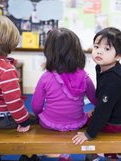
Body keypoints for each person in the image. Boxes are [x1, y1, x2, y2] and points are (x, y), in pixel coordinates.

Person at [31, 27, 97, 161]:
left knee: (31, 118)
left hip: (49, 123)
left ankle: (53, 154)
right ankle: (92, 155)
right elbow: (96, 100)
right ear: (77, 51)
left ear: (49, 52)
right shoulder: (85, 77)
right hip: (77, 123)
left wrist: (42, 115)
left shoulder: (46, 77)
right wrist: (93, 112)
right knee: (94, 120)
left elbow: (36, 106)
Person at [72, 27, 121, 161]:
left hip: (118, 123)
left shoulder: (113, 79)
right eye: (96, 46)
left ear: (118, 56)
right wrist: (95, 110)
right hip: (118, 114)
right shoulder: (103, 67)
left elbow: (104, 110)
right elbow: (106, 99)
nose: (99, 51)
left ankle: (102, 153)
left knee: (78, 120)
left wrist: (89, 134)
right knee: (87, 115)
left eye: (107, 49)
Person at [0, 16, 31, 132]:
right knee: (37, 119)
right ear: (11, 43)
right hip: (1, 119)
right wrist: (23, 122)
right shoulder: (6, 70)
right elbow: (13, 101)